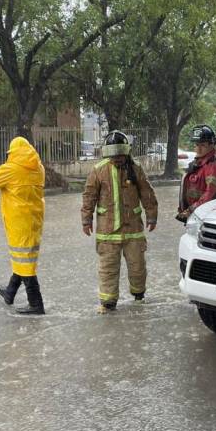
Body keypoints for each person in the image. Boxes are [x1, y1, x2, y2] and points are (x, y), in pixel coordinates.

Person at [81, 130, 158, 312]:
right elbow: (89, 196)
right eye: (113, 156)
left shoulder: (136, 168)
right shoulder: (98, 170)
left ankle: (139, 296)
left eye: (120, 155)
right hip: (107, 231)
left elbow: (147, 193)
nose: (117, 159)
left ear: (126, 152)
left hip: (133, 229)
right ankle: (108, 303)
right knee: (108, 268)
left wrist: (152, 216)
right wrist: (86, 220)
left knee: (137, 266)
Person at [0, 137, 46, 315]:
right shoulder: (39, 168)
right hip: (34, 221)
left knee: (25, 261)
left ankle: (36, 303)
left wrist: (0, 170)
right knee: (24, 257)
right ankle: (10, 292)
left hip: (18, 222)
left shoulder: (11, 169)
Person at [176, 124, 216, 222]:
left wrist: (190, 210)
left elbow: (210, 194)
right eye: (197, 145)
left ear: (212, 145)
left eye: (203, 145)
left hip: (207, 217)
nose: (198, 149)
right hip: (196, 216)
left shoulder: (214, 166)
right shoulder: (197, 164)